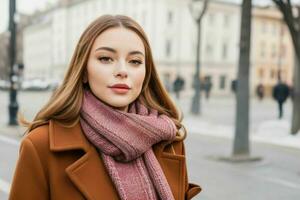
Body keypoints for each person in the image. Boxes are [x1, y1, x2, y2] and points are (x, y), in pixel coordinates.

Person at [9, 15, 201, 200]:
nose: (122, 71)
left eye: (135, 61)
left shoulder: (169, 140)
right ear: (84, 70)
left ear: (146, 74)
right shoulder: (40, 145)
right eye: (106, 59)